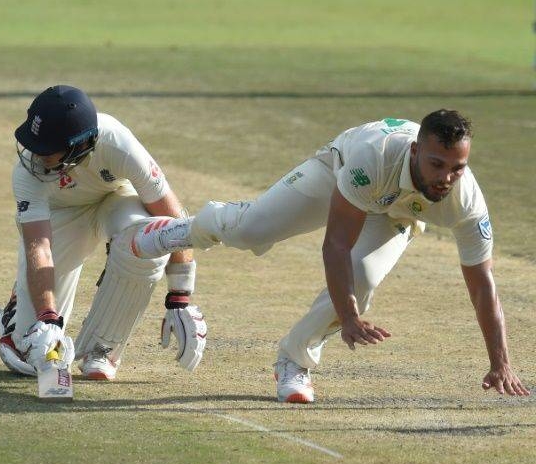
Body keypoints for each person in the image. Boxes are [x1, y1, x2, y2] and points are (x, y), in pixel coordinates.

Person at [132, 110, 530, 403]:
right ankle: (183, 230)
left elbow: (482, 286)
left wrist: (501, 362)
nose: (446, 177)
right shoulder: (373, 159)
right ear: (415, 151)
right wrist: (350, 317)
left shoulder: (467, 201)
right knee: (252, 230)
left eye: (457, 167)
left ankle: (294, 360)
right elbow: (336, 244)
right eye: (436, 164)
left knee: (363, 279)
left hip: (397, 211)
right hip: (340, 172)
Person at [0, 85, 206, 380]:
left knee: (149, 239)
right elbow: (39, 246)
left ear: (79, 146)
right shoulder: (27, 173)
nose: (36, 156)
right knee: (30, 355)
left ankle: (102, 347)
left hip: (116, 199)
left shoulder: (117, 142)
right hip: (62, 215)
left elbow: (171, 218)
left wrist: (180, 295)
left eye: (47, 151)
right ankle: (20, 311)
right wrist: (47, 320)